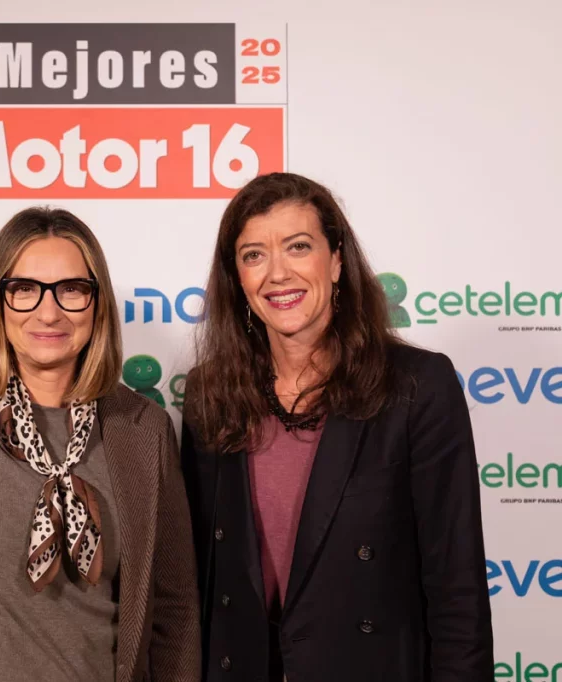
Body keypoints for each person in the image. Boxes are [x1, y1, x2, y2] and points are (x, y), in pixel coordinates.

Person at [181, 172, 493, 681]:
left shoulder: (417, 386)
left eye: (298, 247)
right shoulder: (209, 392)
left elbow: (457, 588)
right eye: (254, 255)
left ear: (336, 261)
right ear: (237, 277)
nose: (277, 273)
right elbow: (199, 578)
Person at [0, 206, 200, 682]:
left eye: (72, 289)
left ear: (97, 303)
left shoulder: (143, 429)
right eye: (24, 289)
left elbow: (174, 607)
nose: (48, 311)